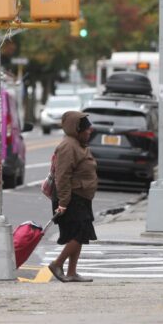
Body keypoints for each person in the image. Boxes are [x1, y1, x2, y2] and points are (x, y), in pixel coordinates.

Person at [47, 111, 98, 283]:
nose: (90, 131)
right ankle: (57, 264)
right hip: (71, 198)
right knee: (81, 233)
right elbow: (62, 177)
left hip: (80, 196)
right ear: (77, 129)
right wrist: (63, 203)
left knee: (78, 235)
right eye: (86, 129)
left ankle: (71, 273)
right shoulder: (68, 146)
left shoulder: (77, 144)